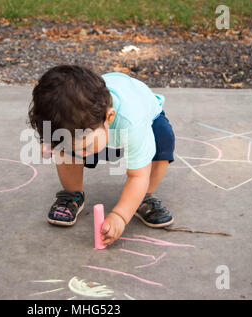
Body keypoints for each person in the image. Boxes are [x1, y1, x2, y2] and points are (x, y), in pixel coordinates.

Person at [28, 65, 175, 247]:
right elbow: (69, 135)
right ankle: (72, 194)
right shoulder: (79, 123)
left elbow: (138, 175)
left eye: (85, 147)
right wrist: (54, 141)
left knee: (164, 139)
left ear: (109, 117)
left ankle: (143, 197)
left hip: (148, 118)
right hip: (94, 123)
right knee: (66, 147)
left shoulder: (133, 122)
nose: (80, 154)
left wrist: (120, 216)